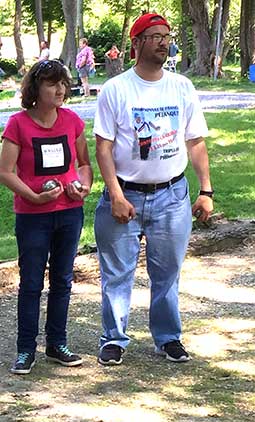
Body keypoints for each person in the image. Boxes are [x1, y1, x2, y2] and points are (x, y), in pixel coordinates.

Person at [93, 13, 213, 366]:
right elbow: (103, 148)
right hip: (125, 194)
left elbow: (196, 141)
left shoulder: (181, 87)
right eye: (155, 36)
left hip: (172, 196)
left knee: (167, 273)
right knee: (117, 274)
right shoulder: (116, 89)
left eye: (166, 36)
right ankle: (113, 339)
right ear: (137, 44)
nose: (163, 41)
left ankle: (168, 338)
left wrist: (206, 190)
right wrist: (115, 194)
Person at [0, 59, 93, 375]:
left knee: (63, 280)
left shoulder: (72, 121)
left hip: (69, 214)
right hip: (33, 217)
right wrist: (34, 196)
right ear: (35, 89)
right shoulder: (17, 124)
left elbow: (84, 163)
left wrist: (83, 186)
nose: (61, 89)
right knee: (30, 283)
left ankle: (57, 344)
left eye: (64, 83)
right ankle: (26, 349)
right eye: (53, 83)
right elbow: (5, 172)